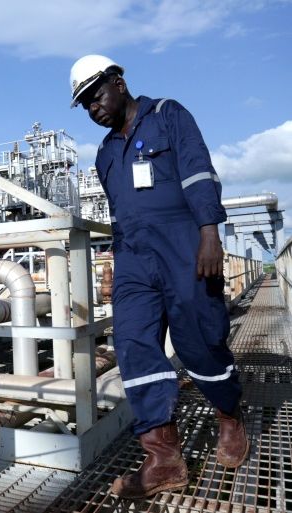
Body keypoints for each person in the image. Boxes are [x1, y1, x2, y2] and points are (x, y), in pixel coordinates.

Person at [69, 55, 249, 499]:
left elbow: (199, 172)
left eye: (97, 95)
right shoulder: (106, 152)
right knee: (132, 344)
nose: (94, 108)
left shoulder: (169, 114)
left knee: (199, 338)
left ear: (119, 81)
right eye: (85, 104)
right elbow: (119, 212)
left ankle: (229, 416)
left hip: (184, 244)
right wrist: (114, 258)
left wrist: (210, 232)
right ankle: (163, 457)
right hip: (133, 257)